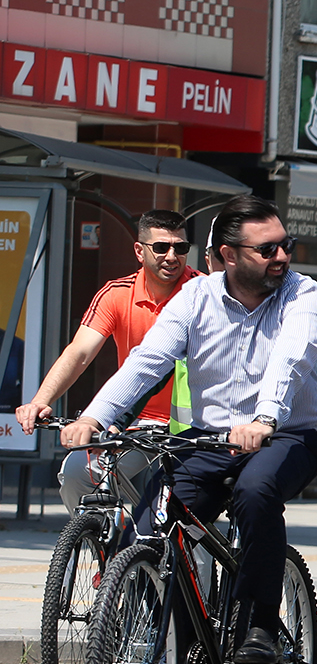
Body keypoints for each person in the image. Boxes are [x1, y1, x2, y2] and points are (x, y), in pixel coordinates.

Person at [62, 195, 317, 664]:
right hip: (210, 440)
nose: (282, 257)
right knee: (149, 526)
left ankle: (262, 623)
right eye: (268, 250)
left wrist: (264, 418)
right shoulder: (195, 298)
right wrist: (94, 417)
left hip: (286, 435)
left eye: (287, 245)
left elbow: (292, 356)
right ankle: (178, 647)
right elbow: (147, 362)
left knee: (256, 490)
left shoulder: (301, 293)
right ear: (228, 255)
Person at [20, 209, 199, 508]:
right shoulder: (116, 294)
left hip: (192, 424)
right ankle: (102, 544)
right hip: (133, 420)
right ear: (139, 251)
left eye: (180, 248)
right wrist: (41, 400)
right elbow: (79, 353)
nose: (172, 256)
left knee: (183, 511)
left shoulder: (203, 291)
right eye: (161, 247)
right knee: (79, 472)